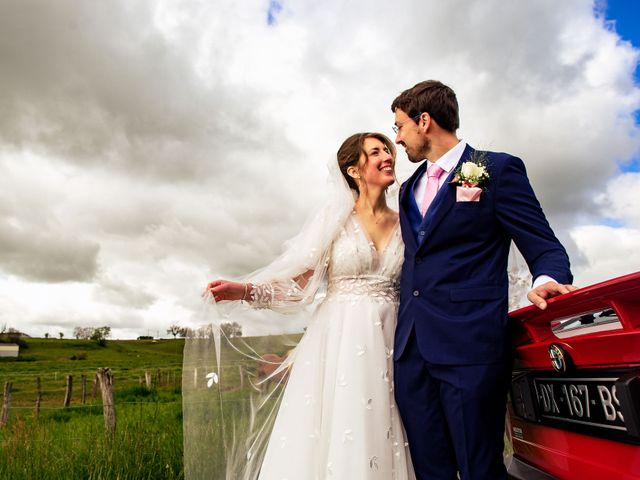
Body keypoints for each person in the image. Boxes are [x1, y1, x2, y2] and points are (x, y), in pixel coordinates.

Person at [194, 132, 416, 479]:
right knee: (342, 426)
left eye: (388, 149)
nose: (388, 156)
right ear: (353, 170)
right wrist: (246, 290)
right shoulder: (335, 220)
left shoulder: (408, 221)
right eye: (375, 152)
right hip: (339, 340)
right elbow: (299, 288)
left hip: (395, 339)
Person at [390, 80, 576, 480]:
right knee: (430, 470)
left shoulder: (496, 170)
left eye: (400, 126)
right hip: (412, 350)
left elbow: (545, 246)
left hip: (469, 346)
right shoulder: (407, 190)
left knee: (479, 469)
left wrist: (546, 278)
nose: (398, 138)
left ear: (424, 121)